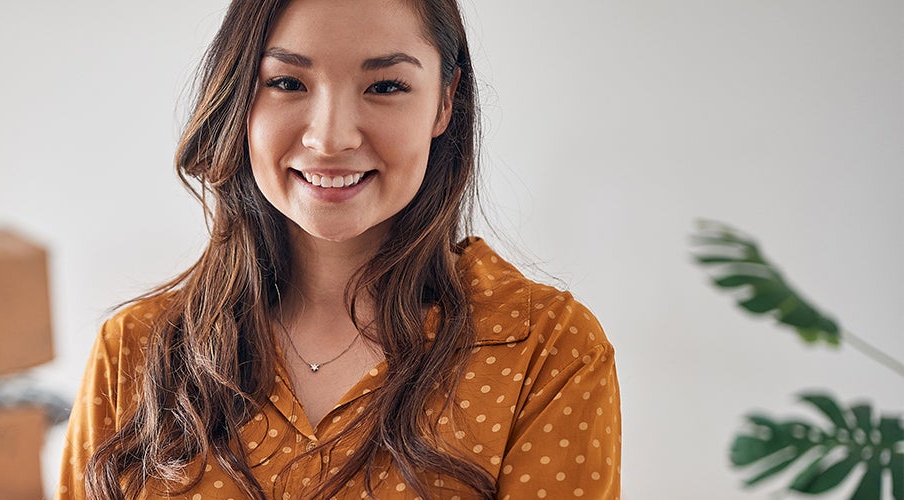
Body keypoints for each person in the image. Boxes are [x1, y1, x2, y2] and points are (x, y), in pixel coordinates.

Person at [57, 0, 621, 498]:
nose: (330, 138)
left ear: (444, 103)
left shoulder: (545, 352)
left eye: (385, 87)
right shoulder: (135, 350)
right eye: (287, 82)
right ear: (240, 98)